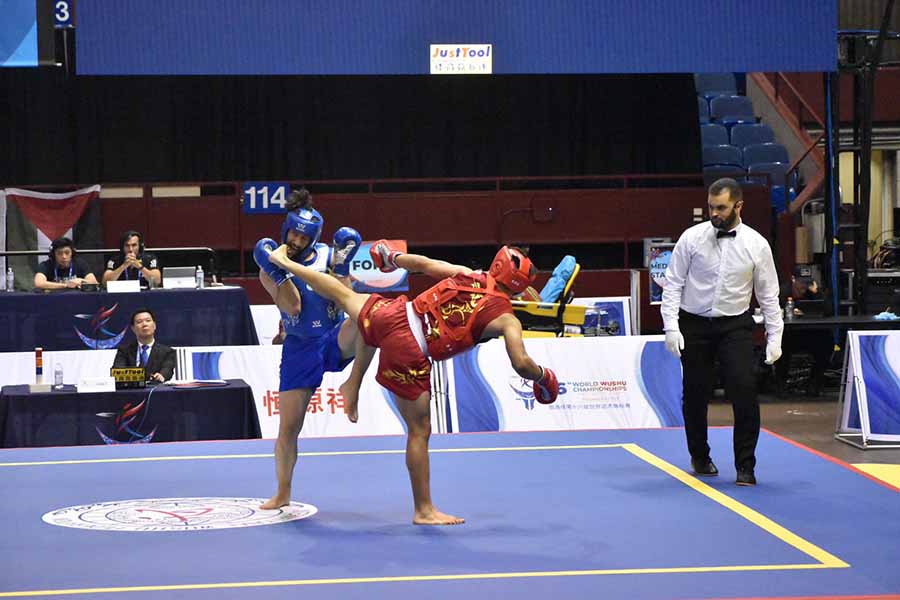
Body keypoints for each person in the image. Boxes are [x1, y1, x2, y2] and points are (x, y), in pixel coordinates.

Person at [268, 240, 560, 525]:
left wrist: (393, 259)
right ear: (520, 285)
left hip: (395, 313)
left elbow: (424, 264)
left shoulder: (470, 274)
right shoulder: (507, 319)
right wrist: (543, 377)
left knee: (344, 296)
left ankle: (286, 264)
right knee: (419, 431)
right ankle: (424, 509)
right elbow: (521, 363)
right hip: (411, 348)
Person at [253, 187, 372, 511]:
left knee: (369, 317)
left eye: (303, 238)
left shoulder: (329, 255)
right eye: (293, 233)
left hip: (333, 337)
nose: (296, 241)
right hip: (299, 347)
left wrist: (342, 270)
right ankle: (282, 492)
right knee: (288, 429)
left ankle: (354, 385)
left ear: (313, 237)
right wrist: (280, 269)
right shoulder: (269, 262)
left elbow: (347, 301)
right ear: (286, 228)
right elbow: (292, 306)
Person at [661, 178, 783, 487]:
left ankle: (746, 466)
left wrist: (775, 336)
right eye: (711, 207)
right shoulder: (691, 238)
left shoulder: (757, 244)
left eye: (721, 208)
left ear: (738, 206)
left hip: (735, 325)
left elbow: (768, 295)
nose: (714, 213)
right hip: (695, 323)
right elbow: (673, 284)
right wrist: (671, 327)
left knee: (744, 391)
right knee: (695, 394)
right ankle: (699, 455)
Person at [112, 308, 176, 382]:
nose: (144, 324)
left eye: (148, 321)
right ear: (133, 328)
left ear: (154, 325)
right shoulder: (124, 351)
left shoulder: (168, 352)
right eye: (139, 322)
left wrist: (161, 376)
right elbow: (117, 372)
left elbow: (167, 370)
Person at [33, 237, 99, 291]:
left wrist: (81, 280)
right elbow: (39, 283)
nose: (64, 256)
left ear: (72, 253)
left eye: (67, 253)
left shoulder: (80, 264)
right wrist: (66, 285)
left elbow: (94, 283)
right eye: (59, 253)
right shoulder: (46, 265)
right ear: (53, 255)